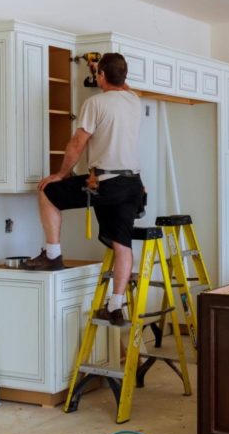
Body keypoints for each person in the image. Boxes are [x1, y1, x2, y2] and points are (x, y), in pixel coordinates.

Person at [24, 52, 144, 326]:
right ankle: (115, 306)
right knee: (122, 244)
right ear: (123, 77)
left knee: (47, 192)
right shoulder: (133, 100)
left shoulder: (95, 103)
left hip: (105, 181)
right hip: (132, 183)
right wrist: (100, 69)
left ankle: (52, 254)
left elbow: (77, 144)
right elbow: (120, 84)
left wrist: (61, 174)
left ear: (101, 76)